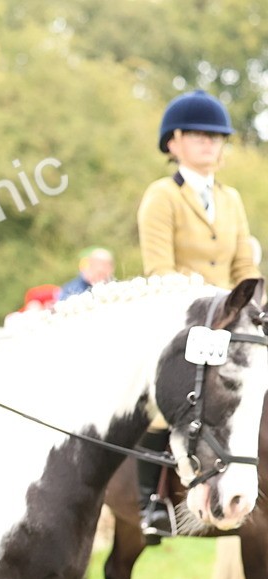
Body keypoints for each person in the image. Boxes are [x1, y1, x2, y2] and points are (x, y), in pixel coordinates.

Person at [134, 89, 259, 542]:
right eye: (199, 135)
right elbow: (160, 272)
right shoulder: (161, 197)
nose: (210, 144)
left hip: (230, 323)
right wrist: (211, 313)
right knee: (163, 405)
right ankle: (151, 502)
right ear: (174, 143)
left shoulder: (232, 200)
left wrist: (256, 308)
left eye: (217, 137)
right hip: (181, 321)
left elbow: (245, 268)